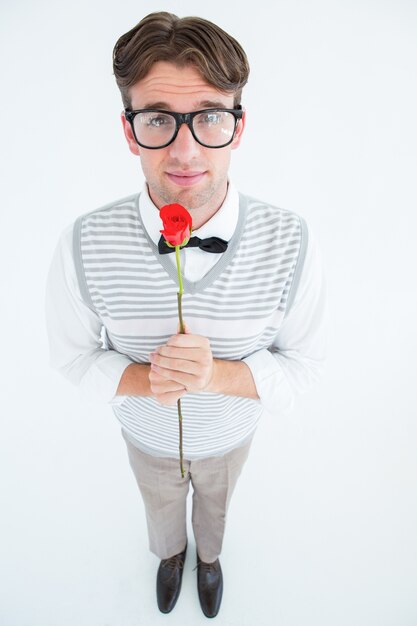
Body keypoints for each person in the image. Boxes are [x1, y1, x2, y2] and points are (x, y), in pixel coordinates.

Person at [45, 11, 327, 619]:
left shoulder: (292, 241)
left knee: (216, 510)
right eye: (157, 119)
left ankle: (209, 560)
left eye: (208, 116)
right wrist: (148, 380)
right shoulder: (82, 242)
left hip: (230, 439)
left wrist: (214, 377)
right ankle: (171, 555)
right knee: (160, 508)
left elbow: (304, 364)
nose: (184, 148)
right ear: (128, 129)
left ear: (238, 125)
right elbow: (72, 355)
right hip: (144, 439)